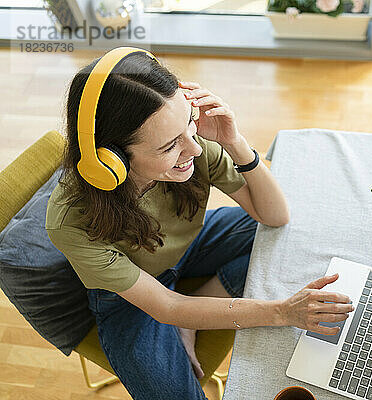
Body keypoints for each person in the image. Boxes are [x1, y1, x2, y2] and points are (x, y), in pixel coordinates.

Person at [45, 48, 354, 400]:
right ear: (110, 160)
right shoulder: (70, 221)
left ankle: (199, 304)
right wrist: (283, 312)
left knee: (280, 236)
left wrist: (235, 143)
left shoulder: (194, 143)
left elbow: (275, 216)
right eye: (169, 146)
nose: (193, 149)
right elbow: (167, 307)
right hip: (132, 296)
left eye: (189, 125)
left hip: (189, 243)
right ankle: (196, 314)